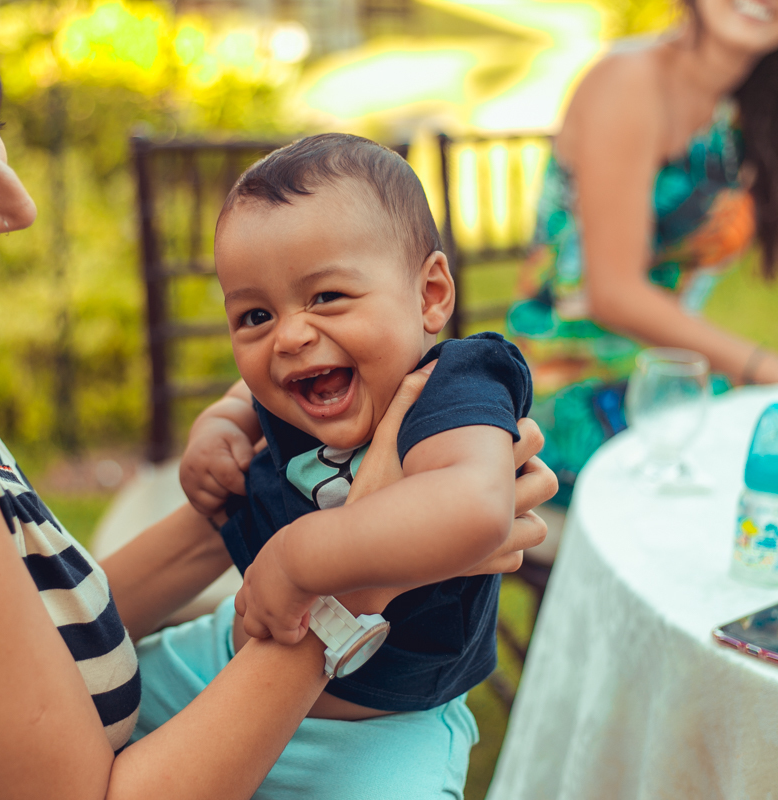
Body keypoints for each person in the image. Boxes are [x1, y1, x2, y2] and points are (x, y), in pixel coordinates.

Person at [0, 3, 556, 799]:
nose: (19, 207)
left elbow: (20, 642)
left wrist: (233, 492)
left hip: (382, 720)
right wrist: (344, 585)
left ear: (431, 293)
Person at [139, 133, 548, 798]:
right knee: (81, 703)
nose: (289, 336)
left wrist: (302, 557)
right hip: (225, 665)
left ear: (430, 294)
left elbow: (475, 507)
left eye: (327, 297)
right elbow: (248, 393)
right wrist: (223, 421)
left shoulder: (455, 386)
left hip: (386, 733)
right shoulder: (300, 383)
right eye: (255, 315)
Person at [506, 0, 778, 512]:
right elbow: (613, 294)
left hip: (676, 383)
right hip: (565, 395)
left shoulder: (774, 98)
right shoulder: (629, 81)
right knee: (766, 491)